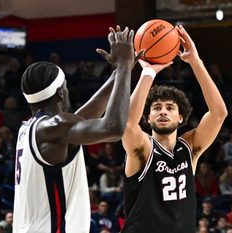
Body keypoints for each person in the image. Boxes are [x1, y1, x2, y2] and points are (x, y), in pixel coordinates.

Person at [13, 25, 141, 233]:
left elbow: (83, 117)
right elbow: (113, 128)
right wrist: (125, 65)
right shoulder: (54, 127)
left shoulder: (30, 129)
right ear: (61, 92)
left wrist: (120, 71)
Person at [120, 25, 227, 233]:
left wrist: (196, 62)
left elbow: (219, 114)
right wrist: (148, 72)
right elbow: (128, 125)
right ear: (147, 116)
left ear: (180, 118)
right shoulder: (143, 149)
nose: (163, 112)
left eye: (170, 108)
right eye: (157, 108)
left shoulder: (190, 147)